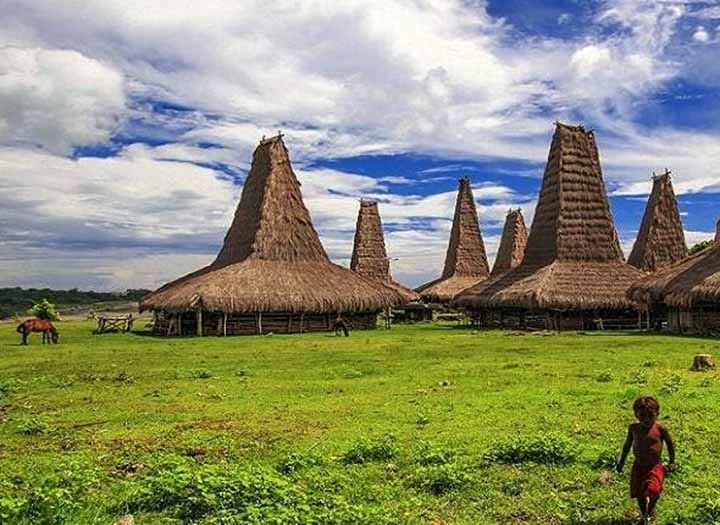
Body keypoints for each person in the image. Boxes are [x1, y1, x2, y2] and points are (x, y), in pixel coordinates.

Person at [616, 396, 676, 525]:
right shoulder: (633, 428)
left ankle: (651, 509)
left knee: (653, 490)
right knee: (639, 492)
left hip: (654, 466)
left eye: (650, 416)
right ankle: (645, 515)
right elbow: (627, 445)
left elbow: (670, 445)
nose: (646, 419)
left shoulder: (660, 429)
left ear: (657, 414)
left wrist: (672, 461)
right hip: (638, 466)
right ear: (636, 415)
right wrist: (621, 462)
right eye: (642, 416)